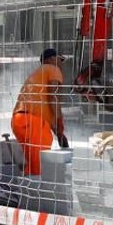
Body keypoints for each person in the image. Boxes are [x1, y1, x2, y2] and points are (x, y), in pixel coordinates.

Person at [12, 48, 68, 176]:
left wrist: (56, 129)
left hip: (19, 120)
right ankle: (38, 194)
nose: (61, 64)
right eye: (60, 60)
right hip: (33, 121)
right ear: (51, 59)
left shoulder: (38, 74)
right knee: (40, 167)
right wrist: (59, 122)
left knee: (33, 164)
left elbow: (43, 103)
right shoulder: (52, 69)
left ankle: (26, 192)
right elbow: (53, 96)